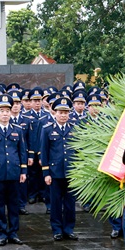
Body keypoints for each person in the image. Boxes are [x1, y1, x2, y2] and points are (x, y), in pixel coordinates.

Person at [0, 95, 27, 246]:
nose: (5, 113)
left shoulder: (17, 130)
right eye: (1, 110)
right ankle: (2, 233)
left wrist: (23, 171)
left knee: (14, 205)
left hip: (14, 172)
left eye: (7, 110)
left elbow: (22, 152)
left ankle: (13, 232)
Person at [41, 97, 77, 241]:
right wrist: (46, 173)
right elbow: (44, 152)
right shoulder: (47, 129)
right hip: (55, 173)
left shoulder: (74, 128)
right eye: (60, 112)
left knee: (70, 204)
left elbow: (78, 151)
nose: (63, 115)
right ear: (54, 112)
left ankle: (69, 229)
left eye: (66, 112)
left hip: (71, 172)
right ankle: (57, 230)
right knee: (55, 204)